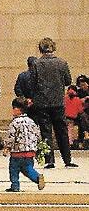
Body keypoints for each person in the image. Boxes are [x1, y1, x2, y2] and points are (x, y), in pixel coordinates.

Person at [31, 37, 78, 168]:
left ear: (40, 49)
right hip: (58, 102)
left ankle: (49, 160)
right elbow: (68, 81)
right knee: (61, 131)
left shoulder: (36, 64)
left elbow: (32, 83)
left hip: (42, 103)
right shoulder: (62, 63)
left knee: (46, 131)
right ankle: (67, 160)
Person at [4, 97, 46, 193]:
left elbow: (11, 136)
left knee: (14, 169)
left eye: (13, 108)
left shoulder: (14, 123)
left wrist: (7, 147)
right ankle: (37, 177)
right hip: (30, 152)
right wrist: (38, 146)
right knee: (27, 168)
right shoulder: (32, 122)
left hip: (18, 152)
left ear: (18, 109)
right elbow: (37, 134)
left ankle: (15, 185)